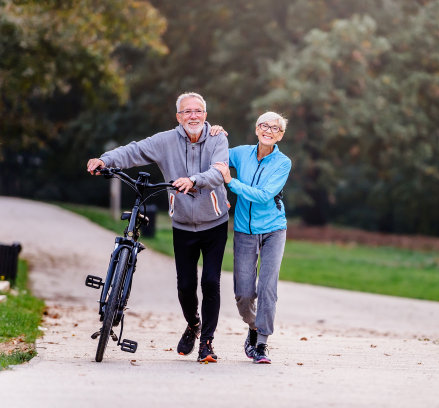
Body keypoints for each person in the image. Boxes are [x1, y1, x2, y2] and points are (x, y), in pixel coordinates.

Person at [86, 92, 229, 363]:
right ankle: (193, 324)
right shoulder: (166, 140)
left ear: (206, 115)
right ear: (178, 117)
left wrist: (194, 180)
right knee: (186, 286)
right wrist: (104, 159)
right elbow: (134, 150)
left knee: (210, 282)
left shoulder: (218, 138)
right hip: (183, 224)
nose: (193, 116)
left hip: (214, 223)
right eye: (187, 112)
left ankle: (207, 344)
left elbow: (219, 171)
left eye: (198, 111)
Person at [213, 111, 291, 364]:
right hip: (244, 231)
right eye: (264, 126)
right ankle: (254, 326)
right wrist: (214, 132)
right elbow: (215, 155)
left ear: (281, 135)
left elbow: (263, 195)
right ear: (257, 129)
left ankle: (261, 344)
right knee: (244, 294)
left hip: (273, 230)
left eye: (275, 128)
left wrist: (230, 182)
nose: (269, 130)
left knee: (267, 288)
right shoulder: (241, 153)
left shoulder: (283, 163)